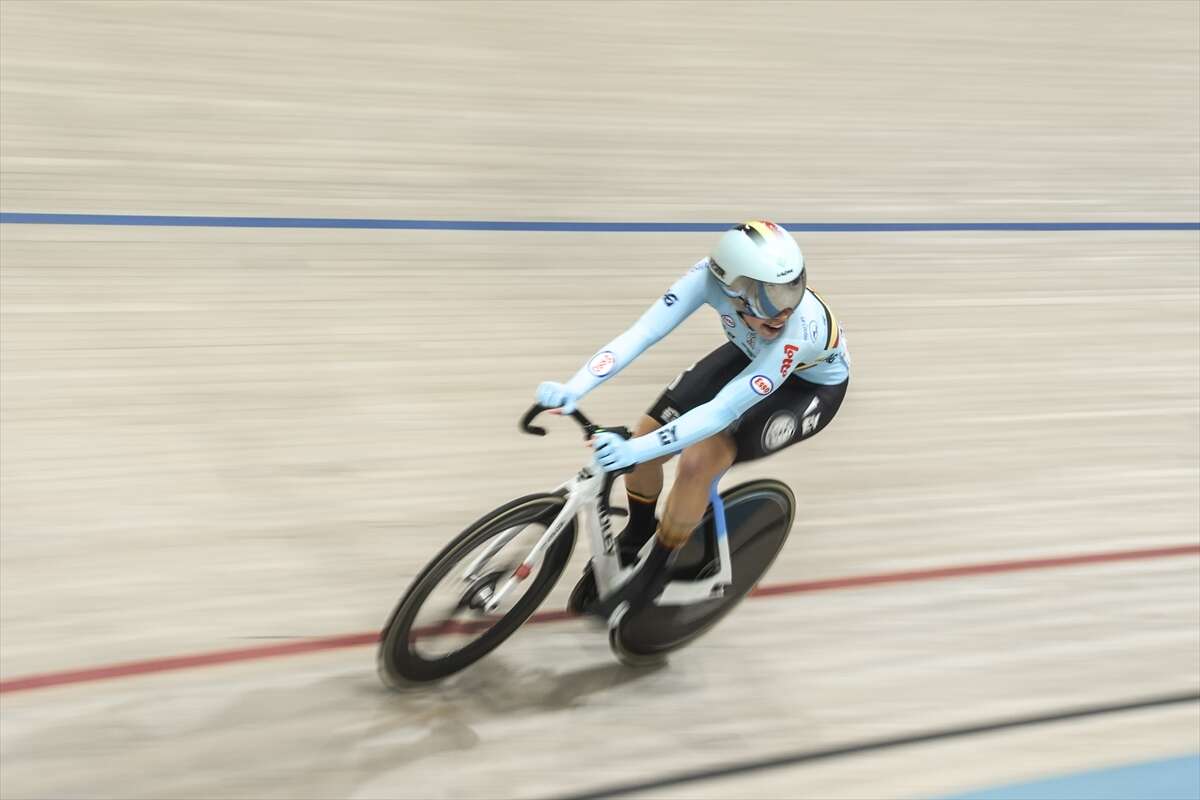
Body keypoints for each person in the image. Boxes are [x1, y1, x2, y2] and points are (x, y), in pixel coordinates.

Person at [536, 220, 851, 615]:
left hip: (806, 390)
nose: (783, 309)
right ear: (731, 286)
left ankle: (652, 575)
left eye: (792, 288)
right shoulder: (705, 277)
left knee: (698, 460)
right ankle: (638, 534)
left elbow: (722, 410)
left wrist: (635, 449)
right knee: (647, 433)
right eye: (769, 295)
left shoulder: (794, 330)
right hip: (753, 356)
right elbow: (641, 333)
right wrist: (574, 387)